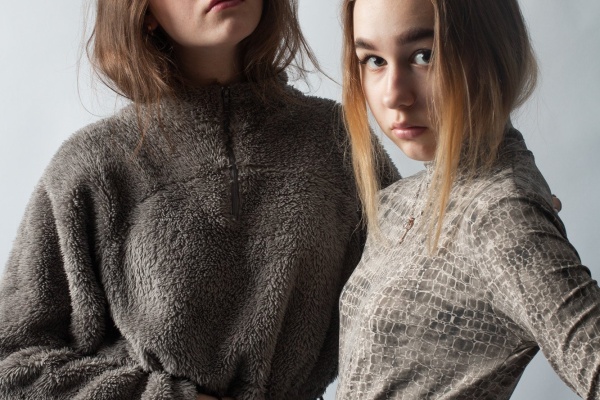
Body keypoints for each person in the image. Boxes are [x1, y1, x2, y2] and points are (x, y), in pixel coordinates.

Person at [0, 0, 399, 399]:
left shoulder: (336, 139)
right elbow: (12, 365)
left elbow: (410, 309)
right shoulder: (93, 166)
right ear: (144, 12)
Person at [336, 0, 600, 399]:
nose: (394, 95)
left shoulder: (500, 215)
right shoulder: (394, 202)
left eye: (424, 55)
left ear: (492, 49)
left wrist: (519, 220)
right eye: (374, 60)